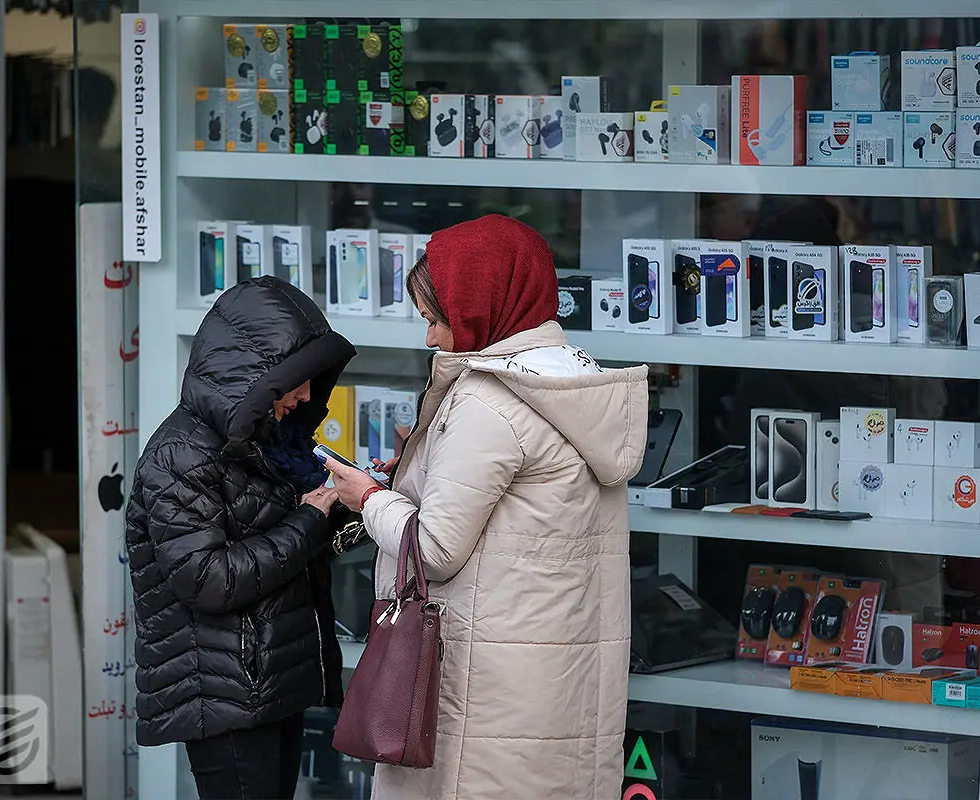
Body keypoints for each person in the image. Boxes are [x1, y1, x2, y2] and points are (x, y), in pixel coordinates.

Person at [326, 214, 650, 800]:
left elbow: (434, 549)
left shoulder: (488, 400)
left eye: (436, 319)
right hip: (554, 685)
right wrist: (420, 469)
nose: (430, 339)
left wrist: (368, 497)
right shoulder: (574, 382)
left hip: (483, 693)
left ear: (480, 304)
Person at [125, 276, 357, 800]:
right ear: (254, 376)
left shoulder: (266, 443)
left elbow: (293, 537)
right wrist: (311, 520)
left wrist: (360, 500)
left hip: (270, 681)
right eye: (296, 379)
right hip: (225, 695)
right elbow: (207, 579)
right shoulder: (179, 456)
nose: (305, 395)